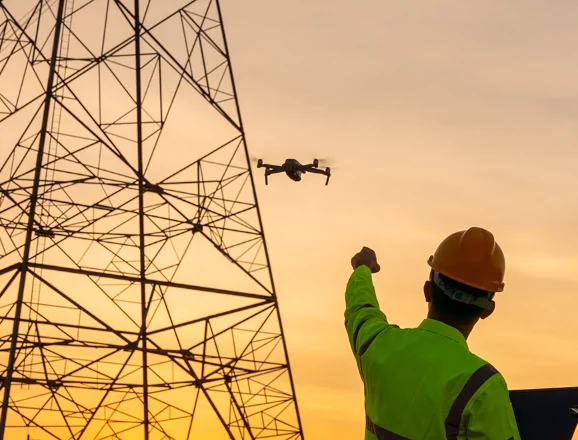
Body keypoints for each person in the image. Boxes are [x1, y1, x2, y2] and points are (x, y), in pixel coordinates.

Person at [345, 227, 521, 439]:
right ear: (487, 310)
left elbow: (360, 308)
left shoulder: (376, 345)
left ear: (428, 290)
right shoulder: (483, 386)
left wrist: (362, 268)